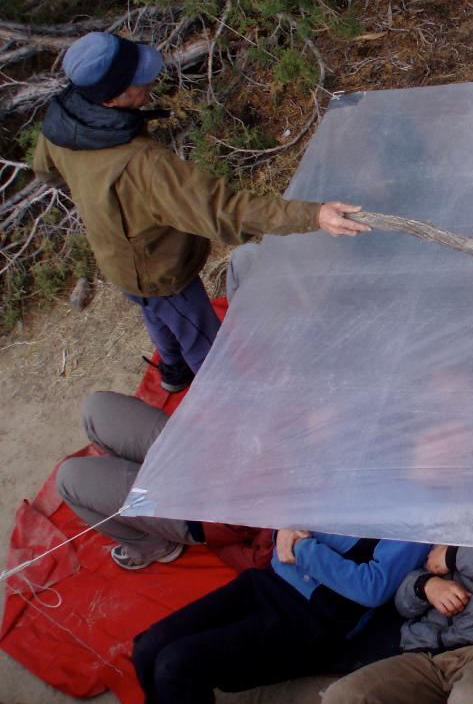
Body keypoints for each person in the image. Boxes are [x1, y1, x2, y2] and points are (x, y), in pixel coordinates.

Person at [32, 31, 368, 392]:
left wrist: (101, 201)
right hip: (163, 274)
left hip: (117, 259)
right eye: (139, 80)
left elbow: (46, 171)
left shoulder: (64, 125)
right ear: (115, 98)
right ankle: (227, 402)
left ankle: (173, 373)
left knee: (155, 315)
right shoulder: (145, 166)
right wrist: (313, 215)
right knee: (203, 343)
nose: (150, 82)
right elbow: (225, 210)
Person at [132, 530, 428, 703]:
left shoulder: (414, 520)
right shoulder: (355, 477)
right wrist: (283, 530)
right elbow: (288, 523)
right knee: (147, 647)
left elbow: (372, 587)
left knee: (176, 664)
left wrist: (303, 548)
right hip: (266, 582)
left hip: (310, 618)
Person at [56, 389, 273, 570]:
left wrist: (215, 534)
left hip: (188, 506)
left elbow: (259, 560)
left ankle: (154, 546)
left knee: (69, 479)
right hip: (196, 448)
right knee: (97, 408)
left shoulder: (298, 522)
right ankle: (131, 473)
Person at [321, 543, 473, 704]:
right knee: (344, 696)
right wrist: (424, 586)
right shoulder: (432, 517)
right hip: (429, 653)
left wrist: (454, 556)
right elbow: (402, 602)